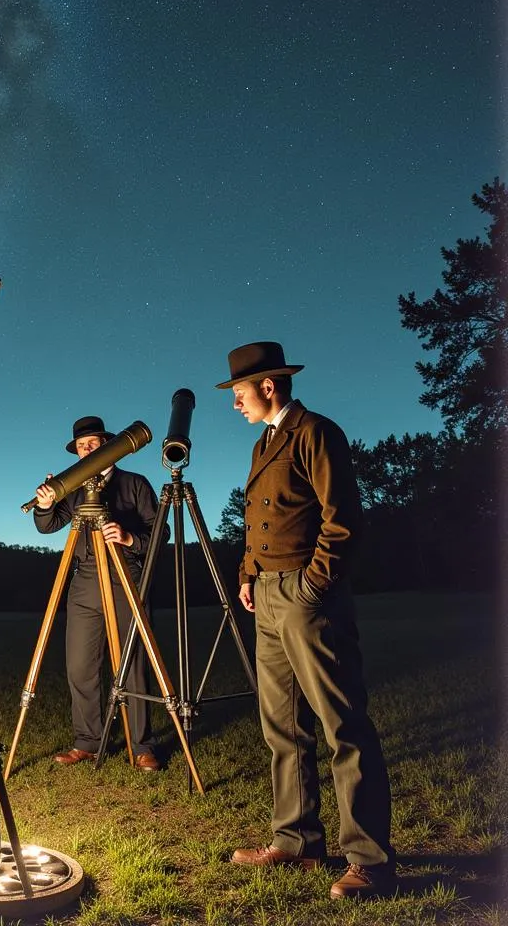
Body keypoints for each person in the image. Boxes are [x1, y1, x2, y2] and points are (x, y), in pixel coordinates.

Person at [217, 341, 396, 899]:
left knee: (343, 725)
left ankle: (370, 860)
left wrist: (314, 583)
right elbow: (259, 519)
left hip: (305, 594)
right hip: (267, 597)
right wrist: (248, 574)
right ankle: (297, 841)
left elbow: (342, 520)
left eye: (239, 392)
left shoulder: (317, 432)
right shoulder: (263, 442)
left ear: (268, 386)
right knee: (283, 728)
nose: (235, 403)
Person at [33, 416, 161, 772]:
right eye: (81, 447)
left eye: (93, 444)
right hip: (84, 581)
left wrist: (130, 538)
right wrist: (45, 504)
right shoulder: (73, 488)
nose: (87, 450)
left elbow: (159, 534)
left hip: (125, 575)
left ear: (108, 446)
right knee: (81, 665)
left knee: (132, 664)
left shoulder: (135, 485)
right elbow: (48, 525)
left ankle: (141, 746)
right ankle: (87, 742)